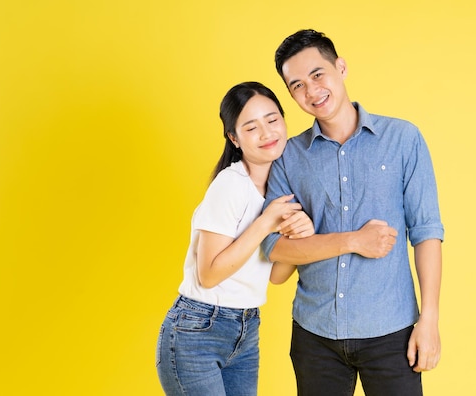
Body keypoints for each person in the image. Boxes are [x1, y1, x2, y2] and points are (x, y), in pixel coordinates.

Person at [261, 29, 445, 395]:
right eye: (297, 85)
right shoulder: (287, 158)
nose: (311, 91)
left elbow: (427, 232)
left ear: (340, 68)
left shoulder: (403, 139)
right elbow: (275, 250)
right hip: (315, 335)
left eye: (317, 75)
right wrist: (353, 241)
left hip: (391, 330)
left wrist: (430, 320)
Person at [155, 81, 315, 396]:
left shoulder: (281, 189)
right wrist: (266, 222)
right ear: (234, 138)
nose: (267, 133)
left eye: (272, 120)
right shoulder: (230, 185)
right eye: (251, 127)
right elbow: (209, 274)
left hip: (246, 328)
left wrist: (301, 238)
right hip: (197, 330)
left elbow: (276, 276)